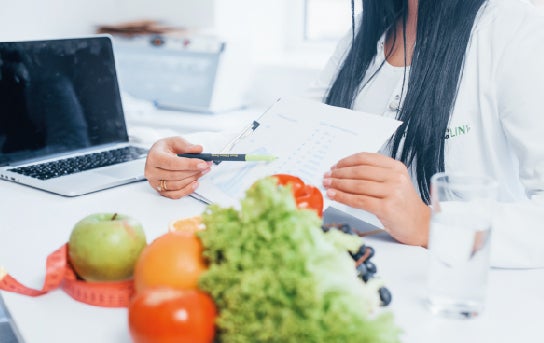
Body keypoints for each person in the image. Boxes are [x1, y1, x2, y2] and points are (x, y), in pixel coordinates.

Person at [144, 0, 544, 268]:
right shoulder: (367, 33)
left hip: (460, 292)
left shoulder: (515, 27)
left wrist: (429, 222)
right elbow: (286, 130)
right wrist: (191, 152)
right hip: (357, 275)